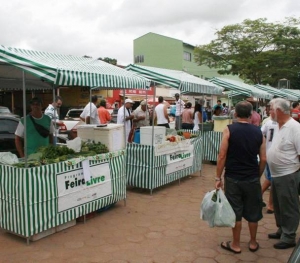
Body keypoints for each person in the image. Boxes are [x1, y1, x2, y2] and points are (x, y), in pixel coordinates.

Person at [215, 100, 266, 254]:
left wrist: (218, 177)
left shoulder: (229, 130)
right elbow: (263, 159)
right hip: (252, 178)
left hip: (233, 177)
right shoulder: (258, 132)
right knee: (253, 212)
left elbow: (222, 155)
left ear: (235, 114)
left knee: (235, 211)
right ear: (251, 114)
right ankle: (252, 242)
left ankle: (236, 244)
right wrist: (257, 175)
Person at [267, 98, 300, 249]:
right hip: (277, 174)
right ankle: (282, 229)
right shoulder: (279, 126)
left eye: (271, 108)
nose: (269, 111)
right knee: (279, 205)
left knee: (289, 205)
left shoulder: (295, 128)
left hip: (288, 174)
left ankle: (289, 236)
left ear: (279, 110)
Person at [260, 116, 278, 214]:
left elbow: (260, 134)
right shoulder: (283, 123)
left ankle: (260, 198)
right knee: (272, 180)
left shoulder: (268, 122)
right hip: (276, 155)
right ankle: (270, 205)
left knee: (270, 179)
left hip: (268, 153)